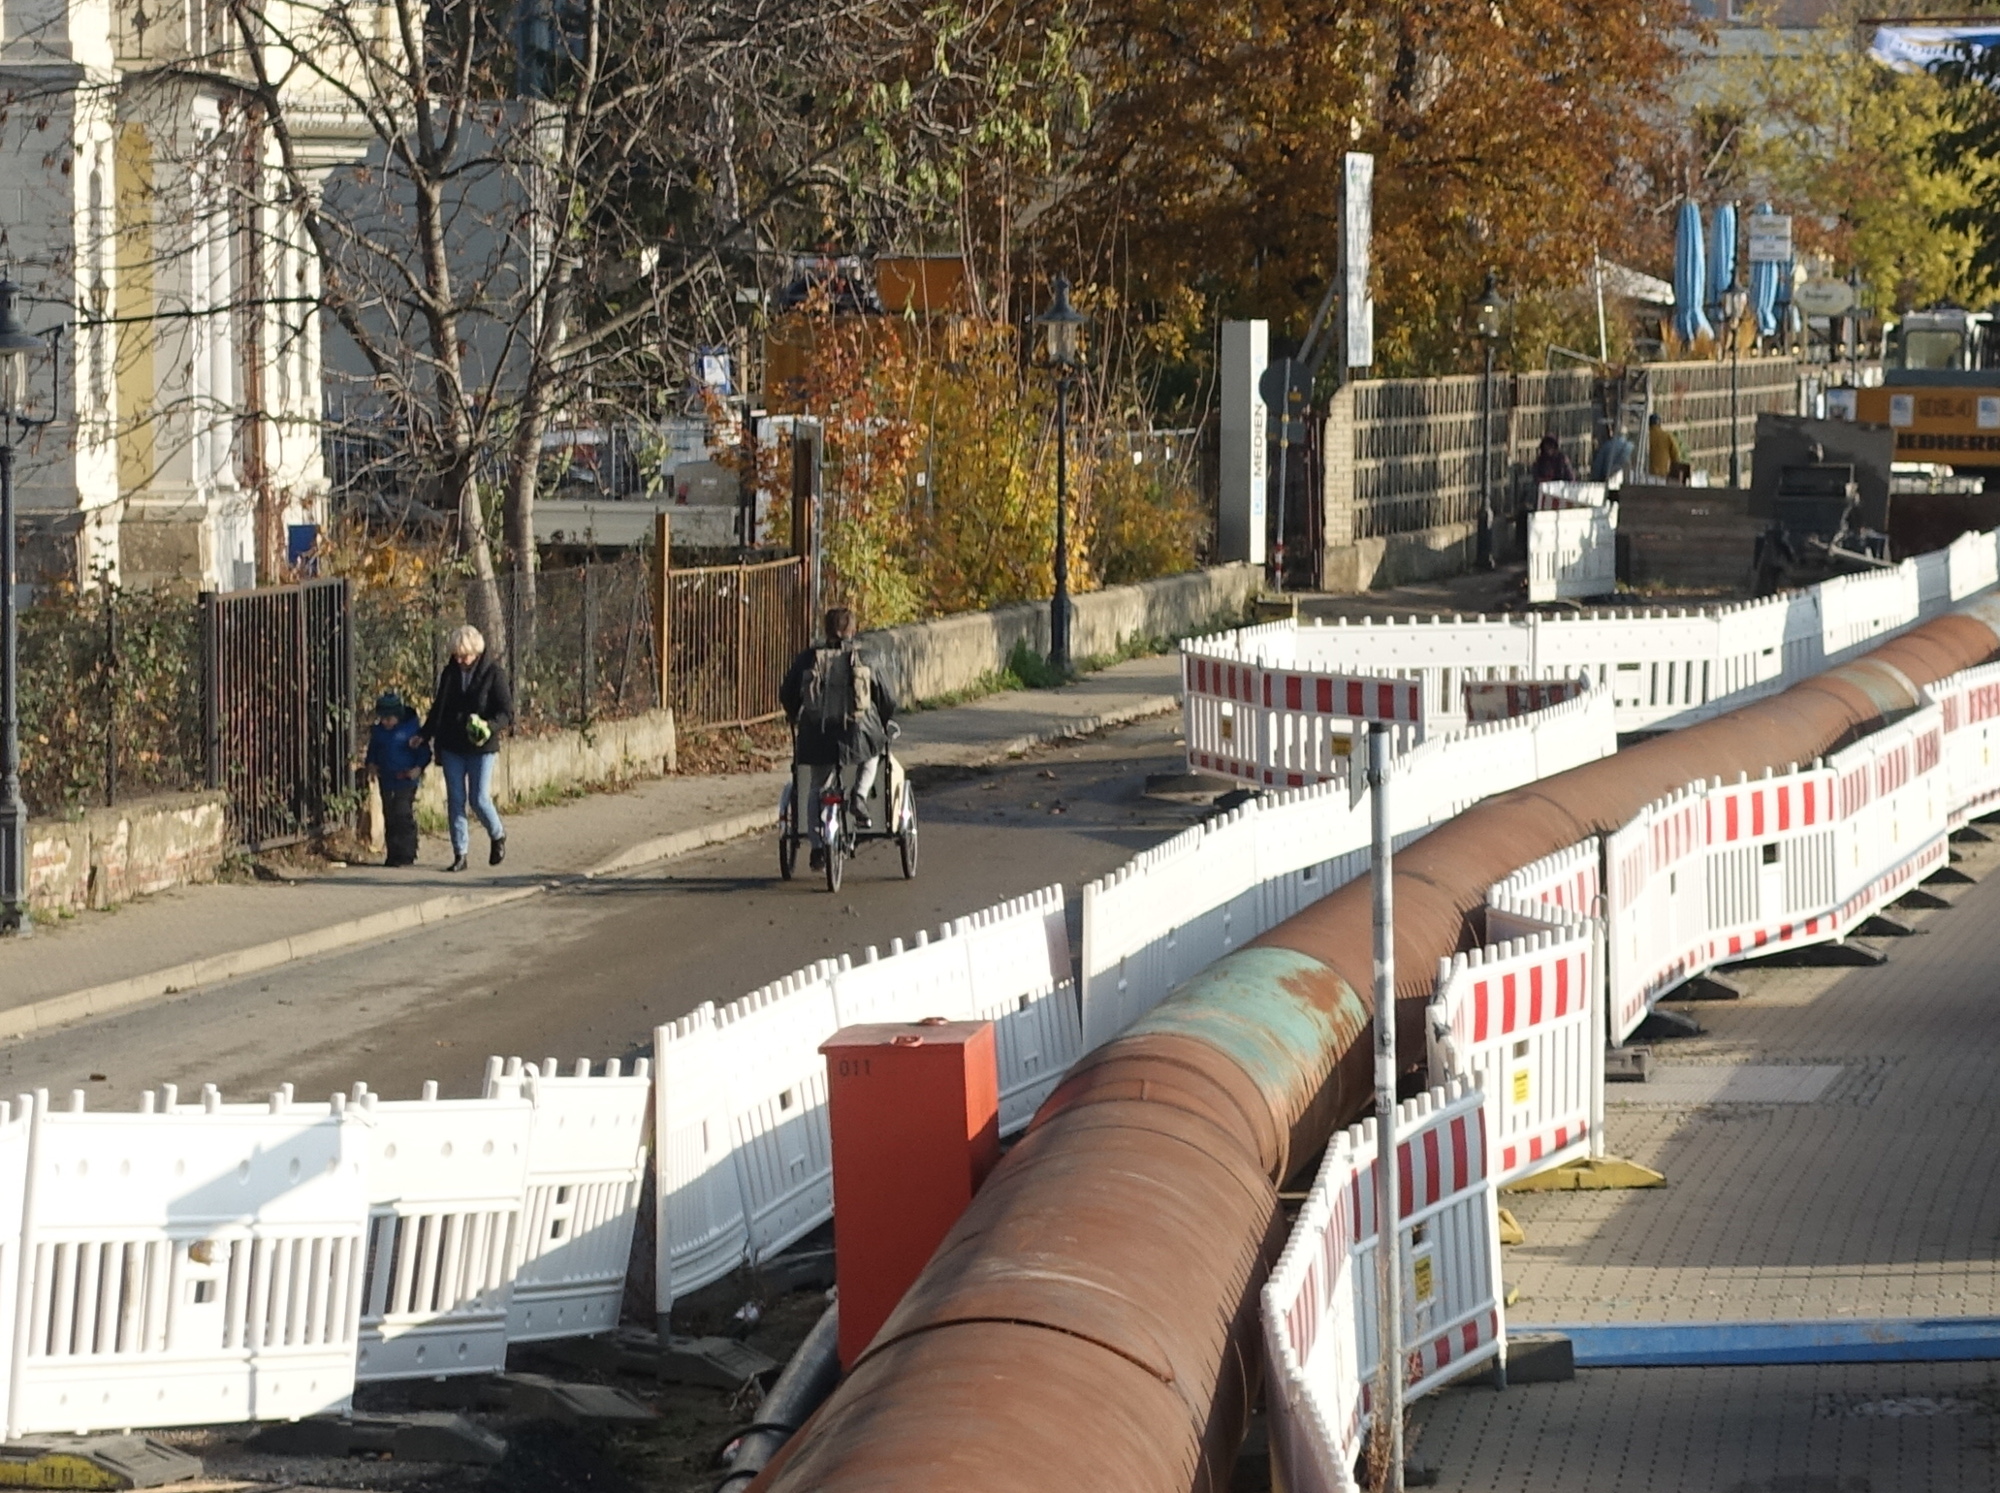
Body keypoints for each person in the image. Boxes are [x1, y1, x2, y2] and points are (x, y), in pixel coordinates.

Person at [780, 607, 897, 852]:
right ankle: (859, 796)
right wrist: (882, 721)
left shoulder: (807, 659)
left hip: (817, 734)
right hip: (858, 734)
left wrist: (795, 716)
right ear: (852, 630)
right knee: (874, 752)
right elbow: (887, 697)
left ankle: (816, 847)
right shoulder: (866, 656)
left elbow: (788, 693)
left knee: (816, 787)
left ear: (826, 629)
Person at [419, 624, 514, 872]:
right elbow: (439, 707)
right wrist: (424, 734)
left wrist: (488, 726)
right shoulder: (450, 673)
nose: (460, 660)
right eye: (456, 655)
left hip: (482, 747)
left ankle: (497, 834)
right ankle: (460, 854)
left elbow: (506, 713)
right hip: (452, 745)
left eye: (465, 655)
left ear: (477, 652)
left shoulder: (494, 673)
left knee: (479, 798)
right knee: (456, 800)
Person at [364, 690, 430, 867]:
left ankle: (407, 853)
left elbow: (424, 752)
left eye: (389, 718)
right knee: (390, 815)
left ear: (398, 716)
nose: (385, 722)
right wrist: (371, 764)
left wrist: (418, 768)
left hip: (406, 779)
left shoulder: (410, 730)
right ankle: (393, 853)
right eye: (382, 718)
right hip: (387, 778)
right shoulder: (379, 732)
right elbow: (373, 751)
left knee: (402, 813)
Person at [1590, 420, 1635, 488]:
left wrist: (1595, 480)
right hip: (1626, 484)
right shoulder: (1630, 447)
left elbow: (1597, 467)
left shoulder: (1606, 446)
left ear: (1612, 432)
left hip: (1609, 481)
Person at [1646, 413, 1687, 482]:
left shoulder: (1646, 437)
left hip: (1646, 474)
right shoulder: (1667, 436)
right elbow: (1676, 455)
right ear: (1659, 424)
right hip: (1662, 474)